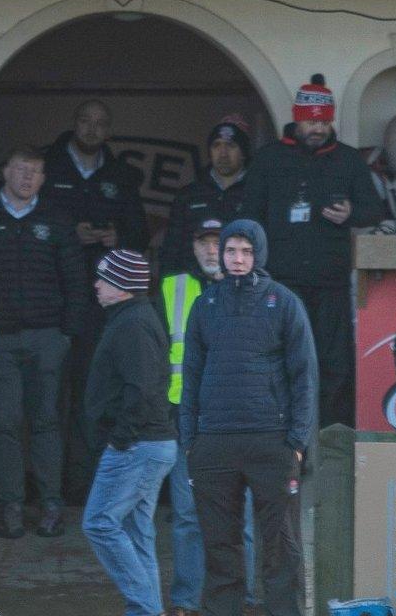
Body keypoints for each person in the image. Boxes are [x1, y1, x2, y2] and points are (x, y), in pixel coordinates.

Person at [179, 220, 315, 616]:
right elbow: (191, 376)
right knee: (220, 542)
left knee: (280, 542)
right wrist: (190, 438)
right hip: (214, 441)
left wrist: (297, 440)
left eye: (247, 251)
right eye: (231, 251)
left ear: (259, 254)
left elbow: (304, 376)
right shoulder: (204, 305)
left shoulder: (283, 302)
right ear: (221, 254)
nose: (238, 259)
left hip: (271, 440)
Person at [0, 145, 86, 538]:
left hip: (49, 337)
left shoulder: (57, 221)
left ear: (43, 178)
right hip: (0, 340)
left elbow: (76, 280)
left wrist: (67, 333)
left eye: (35, 171)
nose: (28, 177)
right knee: (5, 424)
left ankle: (50, 504)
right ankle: (11, 506)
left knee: (47, 422)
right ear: (5, 170)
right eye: (21, 168)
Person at [241, 75, 382, 429]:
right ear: (296, 119)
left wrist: (351, 213)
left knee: (334, 366)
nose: (317, 128)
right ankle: (282, 436)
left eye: (323, 121)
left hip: (331, 284)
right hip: (280, 285)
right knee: (281, 362)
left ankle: (330, 440)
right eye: (310, 120)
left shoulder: (348, 160)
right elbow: (249, 217)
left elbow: (375, 210)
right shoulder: (269, 159)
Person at [81, 250, 175, 616]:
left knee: (99, 522)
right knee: (137, 533)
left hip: (138, 445)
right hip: (147, 443)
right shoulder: (131, 318)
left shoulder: (133, 324)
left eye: (103, 278)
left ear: (122, 287)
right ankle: (147, 611)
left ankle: (146, 609)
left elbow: (142, 388)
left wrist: (122, 437)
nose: (96, 284)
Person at [158, 217, 231, 616]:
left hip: (233, 422)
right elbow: (155, 354)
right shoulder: (174, 287)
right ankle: (187, 601)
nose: (209, 249)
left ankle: (244, 599)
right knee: (187, 516)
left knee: (240, 516)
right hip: (184, 420)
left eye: (217, 242)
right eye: (202, 242)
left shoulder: (248, 289)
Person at [42, 100, 149, 268]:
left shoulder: (122, 176)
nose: (92, 129)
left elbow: (140, 233)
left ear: (108, 131)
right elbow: (29, 227)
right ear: (74, 124)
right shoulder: (45, 169)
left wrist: (118, 238)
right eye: (85, 121)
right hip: (56, 279)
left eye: (100, 124)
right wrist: (70, 234)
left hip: (107, 281)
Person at [164, 118, 252, 276]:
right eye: (216, 145)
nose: (223, 153)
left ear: (243, 152)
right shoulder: (189, 195)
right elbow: (171, 249)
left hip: (239, 286)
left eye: (231, 146)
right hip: (192, 287)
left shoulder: (256, 193)